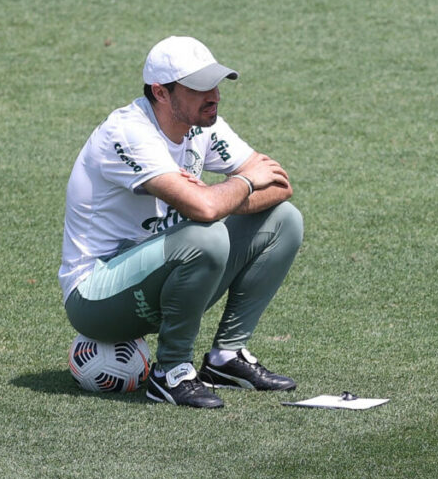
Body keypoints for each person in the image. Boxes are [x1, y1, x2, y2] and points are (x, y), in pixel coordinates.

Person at [59, 36, 304, 408]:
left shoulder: (202, 125)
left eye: (216, 85)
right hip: (95, 294)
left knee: (283, 221)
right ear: (161, 92)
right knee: (205, 236)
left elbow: (280, 185)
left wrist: (216, 197)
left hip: (167, 273)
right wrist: (238, 186)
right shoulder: (128, 133)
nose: (215, 96)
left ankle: (226, 358)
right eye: (200, 88)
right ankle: (170, 372)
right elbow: (215, 204)